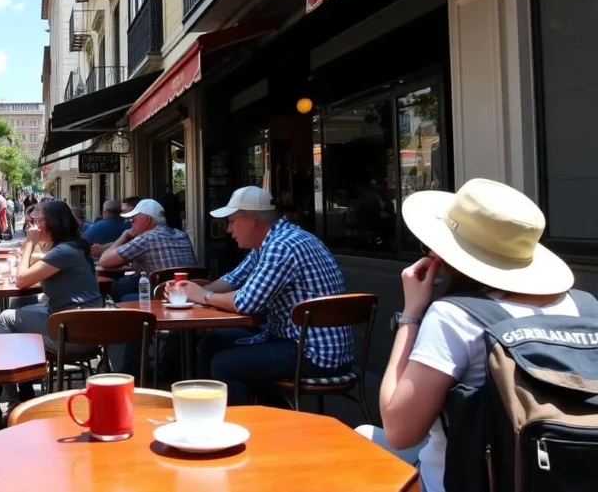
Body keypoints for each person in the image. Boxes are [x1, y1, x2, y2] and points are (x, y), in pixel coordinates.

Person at [359, 179, 586, 492]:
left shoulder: (455, 316)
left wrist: (411, 315)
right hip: (565, 476)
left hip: (464, 480)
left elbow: (400, 431)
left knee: (361, 438)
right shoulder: (586, 307)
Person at [175, 186, 349, 405]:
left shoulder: (282, 245)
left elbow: (246, 303)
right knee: (212, 343)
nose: (228, 229)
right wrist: (194, 289)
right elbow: (233, 279)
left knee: (224, 364)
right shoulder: (273, 241)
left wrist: (204, 295)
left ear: (250, 219)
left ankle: (243, 428)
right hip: (305, 343)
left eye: (231, 221)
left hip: (313, 354)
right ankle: (264, 411)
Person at [0, 200, 102, 438]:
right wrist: (34, 251)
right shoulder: (73, 247)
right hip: (83, 326)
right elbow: (44, 267)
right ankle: (21, 398)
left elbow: (21, 281)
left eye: (39, 220)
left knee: (7, 319)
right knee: (19, 305)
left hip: (70, 333)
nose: (35, 225)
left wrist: (29, 243)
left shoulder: (63, 251)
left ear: (53, 224)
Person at [98, 198, 198, 301]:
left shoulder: (145, 239)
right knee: (124, 285)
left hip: (162, 296)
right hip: (189, 294)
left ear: (147, 220)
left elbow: (104, 261)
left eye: (133, 220)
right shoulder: (182, 235)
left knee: (116, 291)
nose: (130, 224)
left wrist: (124, 236)